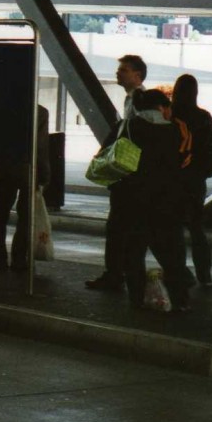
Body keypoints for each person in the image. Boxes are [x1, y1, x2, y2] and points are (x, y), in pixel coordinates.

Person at [121, 88, 191, 311]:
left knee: (134, 253)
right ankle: (179, 301)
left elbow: (110, 155)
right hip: (166, 201)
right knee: (173, 254)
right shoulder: (176, 131)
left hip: (135, 199)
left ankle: (136, 299)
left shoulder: (129, 127)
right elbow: (185, 161)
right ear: (162, 108)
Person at [86, 54, 146, 291]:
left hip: (130, 176)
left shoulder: (139, 100)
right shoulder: (133, 99)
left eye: (124, 70)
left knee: (119, 227)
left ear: (137, 75)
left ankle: (116, 275)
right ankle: (118, 274)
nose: (118, 73)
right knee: (123, 227)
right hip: (132, 177)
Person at [171, 73, 212, 287]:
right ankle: (205, 275)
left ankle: (179, 272)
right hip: (195, 180)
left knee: (172, 229)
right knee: (197, 228)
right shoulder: (204, 117)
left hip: (172, 178)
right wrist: (203, 171)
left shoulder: (170, 116)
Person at [0, 105, 50, 271]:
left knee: (0, 215)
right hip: (27, 170)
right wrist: (44, 175)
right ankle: (19, 258)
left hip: (3, 168)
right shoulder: (40, 112)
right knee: (25, 217)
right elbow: (41, 147)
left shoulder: (1, 110)